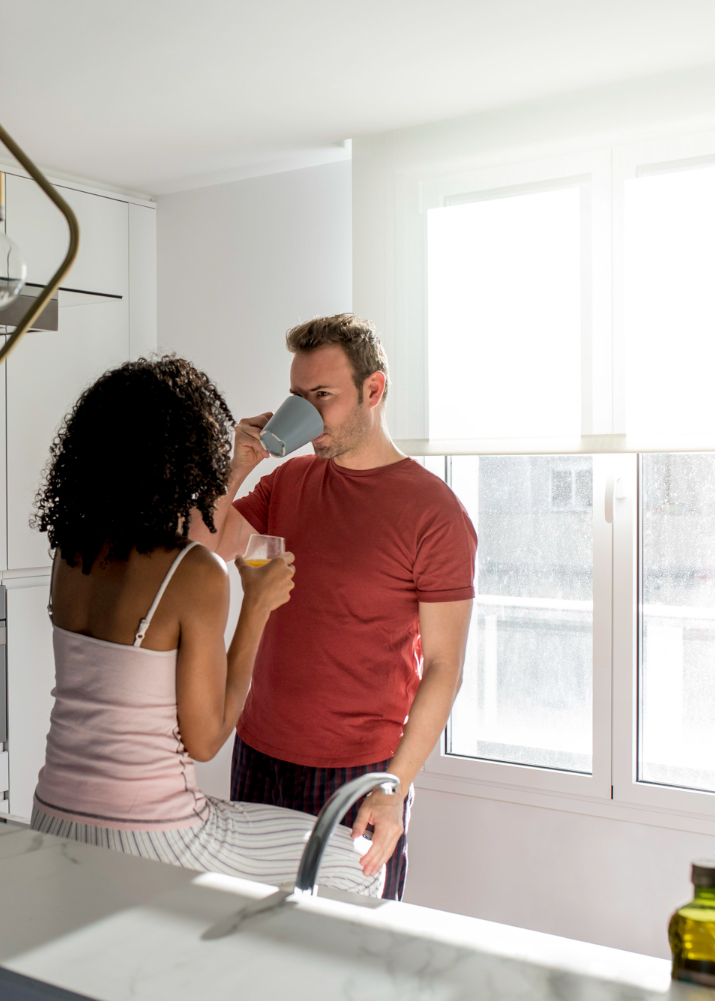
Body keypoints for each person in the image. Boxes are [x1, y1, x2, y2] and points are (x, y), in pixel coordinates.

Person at [30, 356, 383, 896]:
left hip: (53, 817)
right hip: (153, 834)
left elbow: (175, 551)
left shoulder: (71, 552)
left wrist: (238, 471)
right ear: (182, 455)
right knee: (349, 856)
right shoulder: (193, 573)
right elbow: (206, 739)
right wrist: (256, 607)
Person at [189, 313, 476, 902]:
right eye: (298, 397)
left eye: (323, 396)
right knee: (253, 944)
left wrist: (393, 788)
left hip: (359, 776)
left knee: (351, 960)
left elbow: (444, 667)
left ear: (374, 390)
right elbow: (206, 546)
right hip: (259, 755)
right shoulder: (290, 481)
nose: (309, 414)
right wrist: (239, 465)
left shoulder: (435, 514)